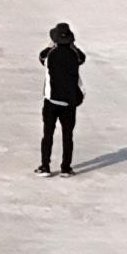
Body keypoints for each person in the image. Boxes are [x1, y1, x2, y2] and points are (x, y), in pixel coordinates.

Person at [37, 22, 87, 174]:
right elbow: (82, 57)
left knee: (48, 135)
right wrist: (72, 45)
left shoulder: (50, 55)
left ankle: (45, 166)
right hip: (69, 102)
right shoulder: (74, 55)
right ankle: (66, 168)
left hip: (51, 101)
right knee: (67, 136)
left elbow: (41, 56)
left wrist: (51, 45)